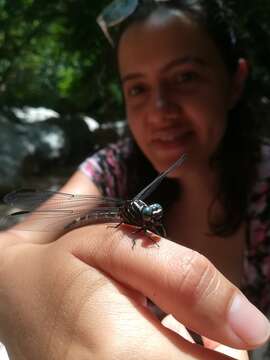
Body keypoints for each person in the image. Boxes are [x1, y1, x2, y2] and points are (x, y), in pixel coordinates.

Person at [0, 0, 269, 359]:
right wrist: (35, 291)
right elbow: (9, 245)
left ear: (234, 82)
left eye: (185, 76)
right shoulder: (110, 171)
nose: (160, 110)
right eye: (138, 88)